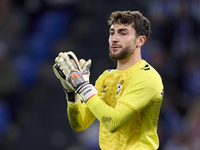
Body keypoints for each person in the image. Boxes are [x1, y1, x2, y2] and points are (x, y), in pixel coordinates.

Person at [53, 10, 164, 150]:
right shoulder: (106, 77)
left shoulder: (146, 77)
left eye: (123, 33)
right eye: (112, 33)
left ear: (140, 41)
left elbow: (114, 122)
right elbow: (80, 124)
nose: (114, 39)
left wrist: (82, 87)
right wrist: (72, 95)